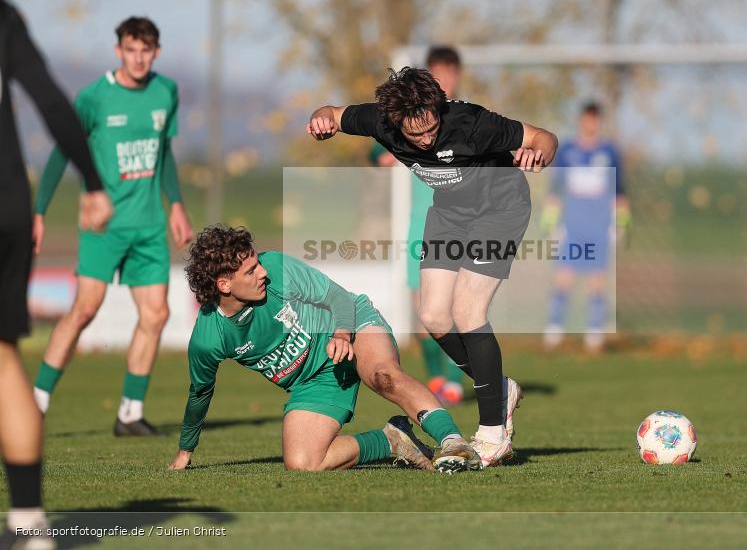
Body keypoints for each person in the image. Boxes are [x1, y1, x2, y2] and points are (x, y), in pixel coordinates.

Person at [307, 67, 558, 466]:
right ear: (394, 122)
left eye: (432, 129)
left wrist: (539, 153)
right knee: (433, 316)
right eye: (415, 134)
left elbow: (544, 137)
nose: (426, 139)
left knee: (468, 311)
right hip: (450, 214)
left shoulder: (472, 122)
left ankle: (494, 434)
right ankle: (499, 389)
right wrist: (321, 119)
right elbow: (333, 112)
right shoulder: (380, 120)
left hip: (500, 210)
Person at [168, 225, 480, 474]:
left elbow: (338, 296)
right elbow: (200, 393)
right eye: (250, 271)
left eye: (257, 264)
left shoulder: (275, 266)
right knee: (304, 463)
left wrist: (342, 333)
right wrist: (185, 451)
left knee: (383, 375)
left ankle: (453, 443)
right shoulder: (208, 338)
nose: (262, 272)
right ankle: (392, 441)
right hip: (315, 381)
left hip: (351, 325)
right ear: (224, 285)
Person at [31, 17, 193, 436]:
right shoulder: (94, 98)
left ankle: (130, 413)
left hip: (149, 225)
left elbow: (164, 152)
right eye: (130, 50)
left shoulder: (165, 92)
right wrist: (39, 211)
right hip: (104, 224)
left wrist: (175, 203)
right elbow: (61, 153)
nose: (138, 58)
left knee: (156, 315)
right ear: (118, 51)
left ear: (156, 52)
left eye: (146, 50)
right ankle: (36, 402)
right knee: (85, 309)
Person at [0, 0, 112, 548]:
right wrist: (92, 181)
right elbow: (49, 100)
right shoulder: (3, 13)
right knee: (2, 359)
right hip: (8, 207)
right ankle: (29, 522)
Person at [368, 46, 466, 405]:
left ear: (457, 75)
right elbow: (378, 149)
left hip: (455, 225)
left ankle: (454, 380)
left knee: (449, 306)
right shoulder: (410, 120)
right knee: (422, 306)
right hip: (418, 224)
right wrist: (382, 156)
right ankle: (437, 377)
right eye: (437, 71)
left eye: (449, 72)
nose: (444, 78)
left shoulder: (465, 118)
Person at [542, 101, 629, 353]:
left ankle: (594, 333)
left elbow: (620, 191)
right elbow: (555, 191)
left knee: (597, 281)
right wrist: (551, 223)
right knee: (563, 279)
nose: (591, 123)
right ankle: (554, 329)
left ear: (599, 121)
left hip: (599, 227)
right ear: (581, 120)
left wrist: (620, 224)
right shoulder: (567, 150)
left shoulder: (610, 152)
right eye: (587, 118)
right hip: (572, 226)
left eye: (595, 119)